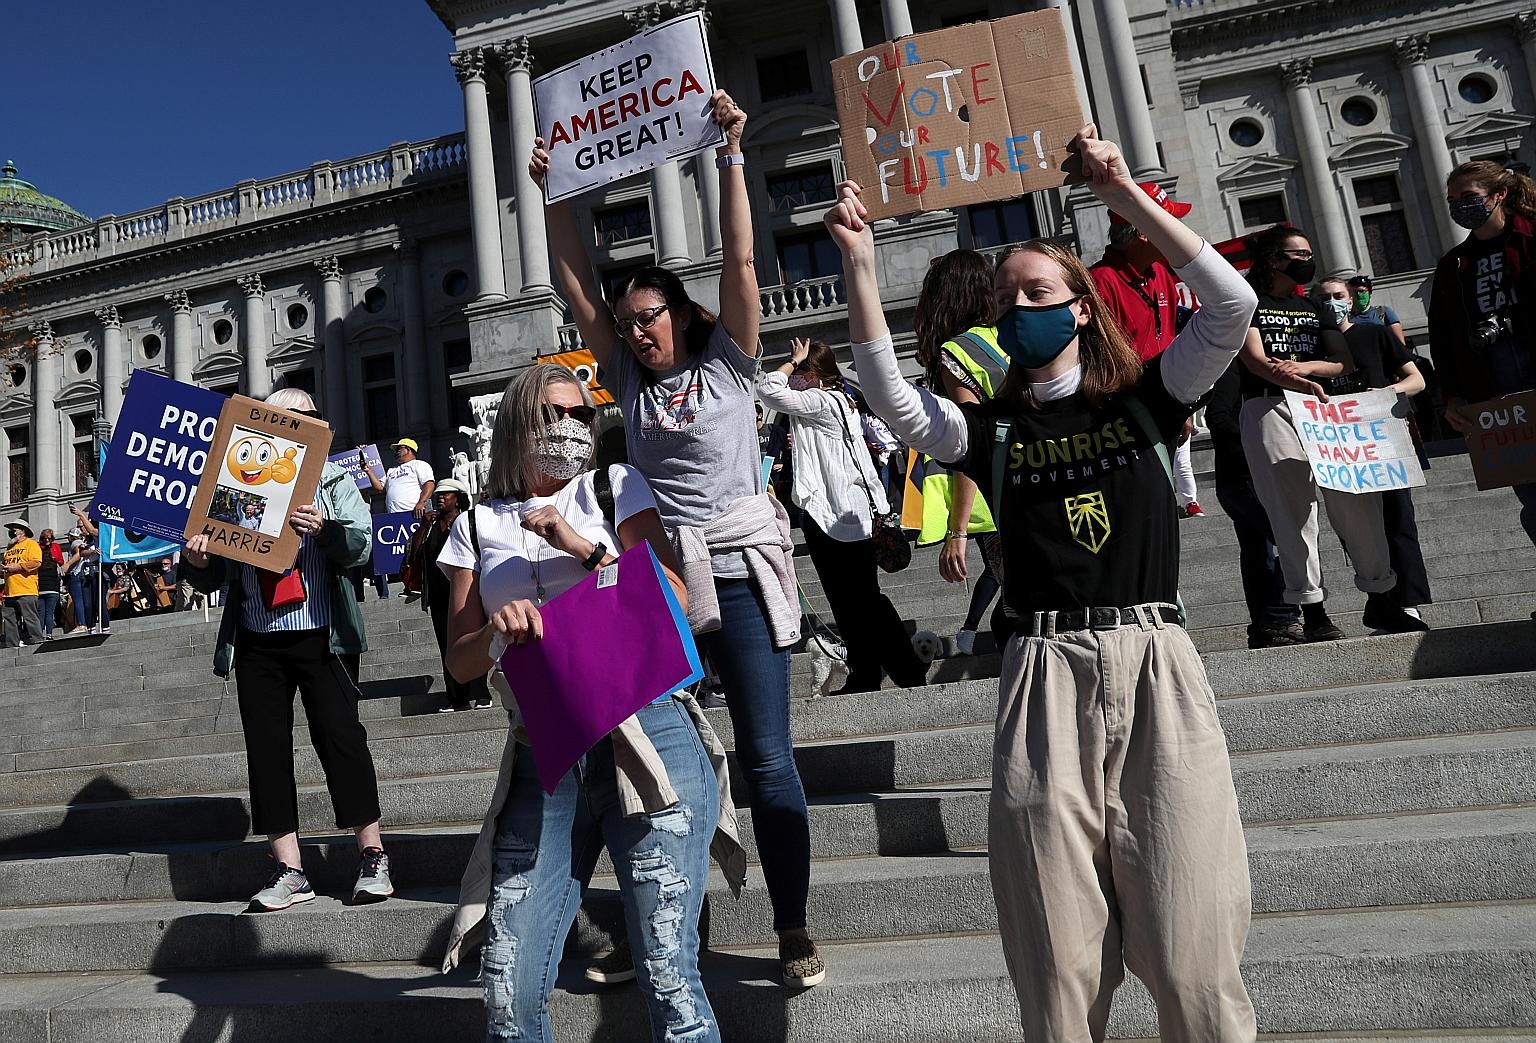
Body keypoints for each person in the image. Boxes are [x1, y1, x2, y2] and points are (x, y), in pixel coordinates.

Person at [827, 124, 1259, 1040]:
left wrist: (1122, 197)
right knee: (1058, 961)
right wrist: (861, 268)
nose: (1018, 305)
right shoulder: (989, 430)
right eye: (1005, 297)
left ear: (1078, 308)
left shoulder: (1150, 398)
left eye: (1038, 290)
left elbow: (1229, 304)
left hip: (1155, 666)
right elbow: (890, 398)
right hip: (1043, 671)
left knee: (1194, 952)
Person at [530, 88, 824, 986]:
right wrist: (555, 194)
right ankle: (676, 928)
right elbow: (574, 282)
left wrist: (733, 150)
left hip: (735, 572)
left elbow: (741, 253)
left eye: (650, 317)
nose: (637, 332)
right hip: (660, 582)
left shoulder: (731, 358)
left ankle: (791, 926)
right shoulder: (626, 375)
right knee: (667, 765)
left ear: (682, 314)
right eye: (628, 326)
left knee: (767, 760)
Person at [437, 364, 742, 1043]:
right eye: (556, 414)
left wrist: (583, 547)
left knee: (669, 974)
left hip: (648, 734)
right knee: (508, 991)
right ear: (520, 422)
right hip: (543, 754)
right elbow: (458, 660)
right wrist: (493, 632)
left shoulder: (613, 486)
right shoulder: (477, 526)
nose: (573, 428)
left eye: (582, 415)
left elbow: (677, 597)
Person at [181, 388, 392, 912]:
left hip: (324, 633)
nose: (287, 429)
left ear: (319, 428)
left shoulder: (337, 481)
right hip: (256, 637)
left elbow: (361, 548)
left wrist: (325, 529)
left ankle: (372, 855)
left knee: (341, 738)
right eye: (275, 420)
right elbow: (206, 578)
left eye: (298, 419)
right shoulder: (235, 480)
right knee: (267, 750)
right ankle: (288, 866)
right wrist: (201, 560)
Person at [1237, 225, 1424, 639]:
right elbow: (1254, 359)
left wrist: (1304, 370)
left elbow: (1343, 362)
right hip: (1270, 404)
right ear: (1272, 259)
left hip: (1321, 406)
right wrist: (1286, 373)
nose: (1307, 260)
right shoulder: (1250, 302)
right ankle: (1312, 608)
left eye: (1308, 252)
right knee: (1292, 509)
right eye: (1296, 254)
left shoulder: (1314, 309)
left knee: (1356, 499)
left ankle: (1380, 597)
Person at [757, 337, 929, 693]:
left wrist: (791, 361)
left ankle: (894, 670)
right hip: (848, 513)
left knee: (857, 601)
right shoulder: (843, 401)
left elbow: (768, 388)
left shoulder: (821, 400)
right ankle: (876, 671)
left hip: (834, 516)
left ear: (814, 373)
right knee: (858, 600)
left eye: (801, 373)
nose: (794, 381)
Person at [1430, 160, 1536, 546]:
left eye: (1469, 197)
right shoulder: (1454, 265)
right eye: (1453, 199)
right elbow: (1444, 339)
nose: (1459, 205)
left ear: (1499, 194)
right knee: (1532, 500)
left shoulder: (1530, 238)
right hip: (1496, 390)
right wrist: (1453, 394)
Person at [910, 249, 1006, 656]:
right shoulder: (1006, 337)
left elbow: (972, 445)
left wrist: (957, 531)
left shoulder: (957, 353)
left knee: (1016, 613)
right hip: (1033, 478)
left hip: (992, 499)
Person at [1318, 277, 1432, 618]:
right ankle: (1379, 599)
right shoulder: (1311, 347)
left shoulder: (1374, 334)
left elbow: (1416, 379)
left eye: (1338, 296)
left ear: (1351, 300)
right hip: (1337, 446)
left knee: (1398, 517)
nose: (1331, 303)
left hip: (1382, 438)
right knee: (1357, 527)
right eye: (1322, 298)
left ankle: (1408, 601)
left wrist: (1386, 394)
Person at [1090, 182, 1204, 518]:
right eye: (1167, 220)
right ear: (1142, 232)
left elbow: (1169, 340)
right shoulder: (1100, 282)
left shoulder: (1160, 273)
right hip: (1125, 417)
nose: (1176, 229)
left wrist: (1180, 406)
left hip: (1166, 405)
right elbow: (1101, 359)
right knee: (1139, 507)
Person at [1206, 360, 1305, 647]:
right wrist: (1259, 437)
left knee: (1257, 553)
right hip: (1244, 476)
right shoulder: (1234, 370)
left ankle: (1265, 623)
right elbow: (1218, 417)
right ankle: (1280, 616)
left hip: (1239, 478)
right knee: (1289, 539)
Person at [417, 478, 491, 713]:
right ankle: (456, 698)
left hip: (467, 593)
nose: (439, 498)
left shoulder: (467, 522)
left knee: (473, 640)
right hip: (439, 596)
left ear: (457, 498)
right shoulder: (432, 525)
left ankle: (480, 693)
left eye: (445, 494)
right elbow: (416, 554)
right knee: (447, 646)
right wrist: (423, 526)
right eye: (437, 495)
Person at [362, 437, 436, 598]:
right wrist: (368, 470)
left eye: (399, 448)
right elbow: (379, 487)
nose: (396, 452)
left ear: (409, 450)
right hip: (395, 520)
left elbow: (429, 484)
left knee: (416, 551)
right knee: (399, 554)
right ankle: (403, 586)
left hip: (414, 516)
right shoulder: (391, 470)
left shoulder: (419, 465)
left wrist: (421, 502)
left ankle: (417, 585)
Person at [66, 507, 110, 634]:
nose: (83, 528)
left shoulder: (103, 533)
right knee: (87, 602)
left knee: (99, 601)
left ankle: (105, 627)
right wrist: (91, 551)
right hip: (87, 571)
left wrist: (80, 514)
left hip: (99, 570)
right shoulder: (88, 540)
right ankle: (91, 628)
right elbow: (82, 552)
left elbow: (91, 529)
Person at [2, 521, 44, 647]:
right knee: (9, 620)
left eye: (14, 529)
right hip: (9, 590)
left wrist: (17, 568)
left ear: (23, 530)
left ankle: (38, 643)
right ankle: (11, 646)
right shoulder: (9, 549)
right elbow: (7, 567)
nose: (11, 532)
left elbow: (36, 562)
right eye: (10, 529)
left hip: (26, 589)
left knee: (30, 618)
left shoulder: (31, 544)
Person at [1345, 274, 1408, 347]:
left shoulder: (1383, 312)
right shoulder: (1346, 318)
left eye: (1362, 291)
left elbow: (1400, 345)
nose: (1359, 295)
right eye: (1354, 292)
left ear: (1370, 293)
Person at [35, 529, 63, 638]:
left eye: (49, 538)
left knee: (40, 613)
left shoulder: (38, 566)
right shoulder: (53, 564)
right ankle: (49, 634)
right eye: (45, 538)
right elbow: (60, 563)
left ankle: (40, 634)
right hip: (52, 590)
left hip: (40, 590)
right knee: (49, 613)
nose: (47, 540)